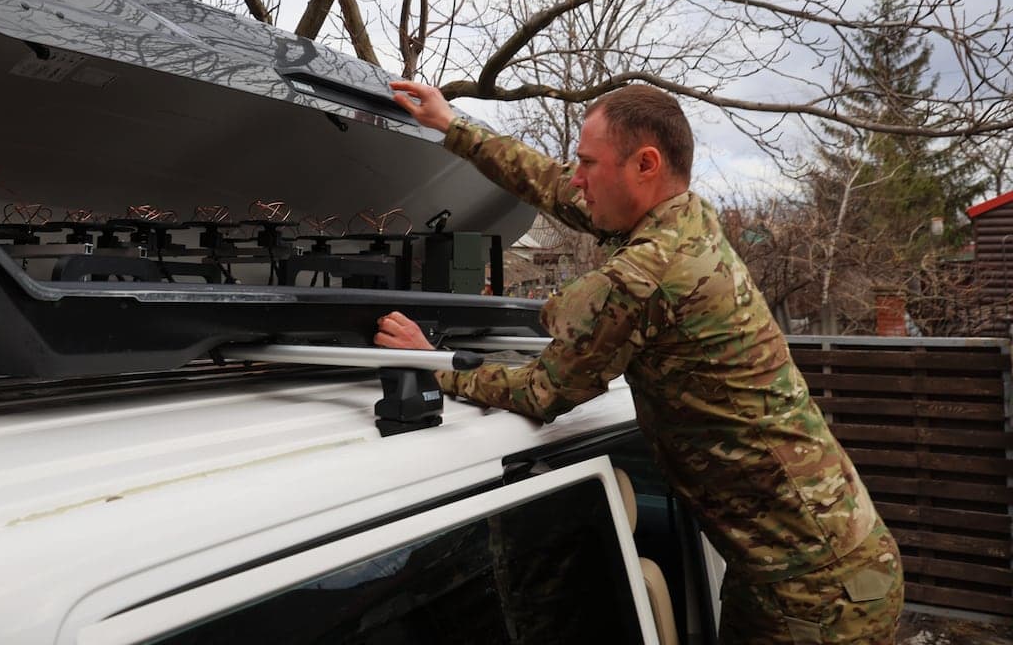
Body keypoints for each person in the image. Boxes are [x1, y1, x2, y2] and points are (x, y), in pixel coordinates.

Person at [375, 80, 904, 644]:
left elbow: (541, 394)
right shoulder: (682, 218)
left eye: (587, 162)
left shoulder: (648, 275)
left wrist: (434, 364)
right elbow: (555, 186)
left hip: (817, 598)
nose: (576, 177)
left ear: (646, 164)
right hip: (809, 566)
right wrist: (453, 126)